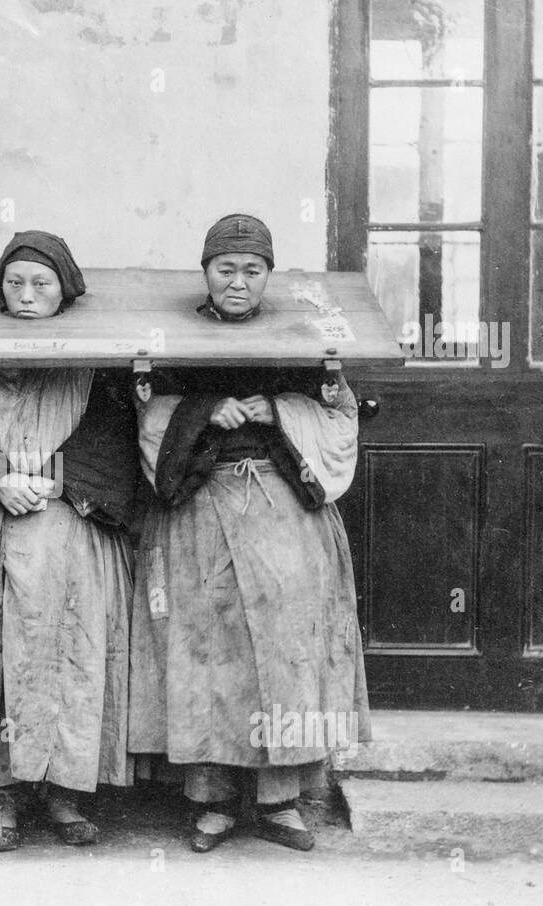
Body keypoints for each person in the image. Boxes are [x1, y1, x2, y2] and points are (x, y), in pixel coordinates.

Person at [129, 213, 371, 853]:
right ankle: (212, 801)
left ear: (270, 275)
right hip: (202, 505)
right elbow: (146, 409)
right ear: (204, 273)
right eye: (224, 270)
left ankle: (281, 798)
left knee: (286, 647)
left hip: (282, 506)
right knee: (205, 647)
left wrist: (280, 410)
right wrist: (205, 411)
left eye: (252, 271)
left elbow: (340, 412)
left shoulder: (305, 341)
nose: (237, 282)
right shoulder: (170, 342)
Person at [0, 231, 140, 850]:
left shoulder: (99, 368)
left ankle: (65, 792)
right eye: (15, 283)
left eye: (41, 284)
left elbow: (109, 443)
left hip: (69, 533)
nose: (26, 295)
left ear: (64, 292)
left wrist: (47, 478)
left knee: (69, 660)